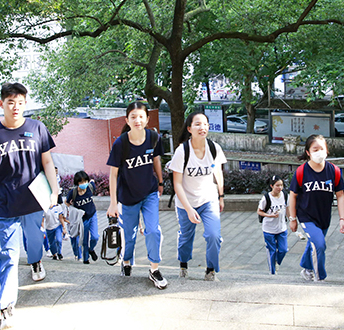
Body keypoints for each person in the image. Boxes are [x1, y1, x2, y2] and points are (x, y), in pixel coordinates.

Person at [0, 82, 59, 330]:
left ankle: (36, 262)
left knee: (34, 242)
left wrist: (54, 190)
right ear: (1, 104)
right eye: (10, 102)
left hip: (33, 200)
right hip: (5, 204)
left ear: (25, 104)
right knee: (9, 255)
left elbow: (47, 160)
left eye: (20, 103)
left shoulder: (37, 128)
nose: (15, 107)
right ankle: (6, 307)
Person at [106, 102, 167, 289]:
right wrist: (113, 203)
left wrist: (160, 182)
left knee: (153, 230)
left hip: (149, 193)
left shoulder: (153, 137)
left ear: (147, 119)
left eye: (141, 116)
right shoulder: (121, 143)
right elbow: (113, 174)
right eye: (133, 117)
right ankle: (126, 262)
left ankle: (154, 269)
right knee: (129, 236)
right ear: (127, 120)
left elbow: (156, 159)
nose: (137, 120)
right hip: (129, 198)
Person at [169, 112, 227, 281]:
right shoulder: (182, 151)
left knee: (214, 235)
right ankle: (183, 265)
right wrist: (188, 209)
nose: (202, 127)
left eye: (205, 124)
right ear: (189, 129)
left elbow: (218, 172)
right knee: (186, 238)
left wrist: (221, 196)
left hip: (208, 199)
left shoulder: (214, 148)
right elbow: (177, 183)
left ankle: (210, 270)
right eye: (197, 124)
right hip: (186, 202)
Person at [288, 135, 344, 281]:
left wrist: (342, 218)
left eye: (322, 148)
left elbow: (340, 195)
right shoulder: (301, 172)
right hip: (306, 216)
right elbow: (292, 196)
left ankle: (306, 268)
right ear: (308, 152)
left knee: (314, 243)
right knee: (319, 244)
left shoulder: (334, 171)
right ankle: (320, 277)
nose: (319, 152)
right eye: (315, 149)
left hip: (324, 217)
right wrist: (293, 219)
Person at [257, 175, 289, 275]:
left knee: (283, 250)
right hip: (269, 229)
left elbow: (287, 208)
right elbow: (259, 211)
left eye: (281, 185)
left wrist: (292, 219)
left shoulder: (285, 195)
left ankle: (277, 262)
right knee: (272, 251)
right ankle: (272, 273)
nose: (280, 188)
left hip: (281, 228)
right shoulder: (266, 198)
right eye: (277, 185)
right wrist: (269, 215)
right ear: (272, 186)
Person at [66, 171, 99, 264]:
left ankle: (91, 249)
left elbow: (92, 181)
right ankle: (85, 259)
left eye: (85, 181)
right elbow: (67, 202)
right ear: (77, 183)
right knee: (84, 240)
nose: (84, 184)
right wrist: (74, 209)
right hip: (82, 219)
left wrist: (90, 181)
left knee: (95, 237)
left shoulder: (90, 187)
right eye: (81, 182)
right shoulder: (73, 192)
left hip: (92, 215)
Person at [44, 195, 67, 260]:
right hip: (49, 227)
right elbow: (42, 220)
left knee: (58, 240)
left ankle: (59, 253)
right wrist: (42, 229)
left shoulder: (58, 207)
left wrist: (64, 227)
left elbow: (60, 217)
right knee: (51, 243)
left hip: (57, 226)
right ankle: (54, 254)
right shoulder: (45, 208)